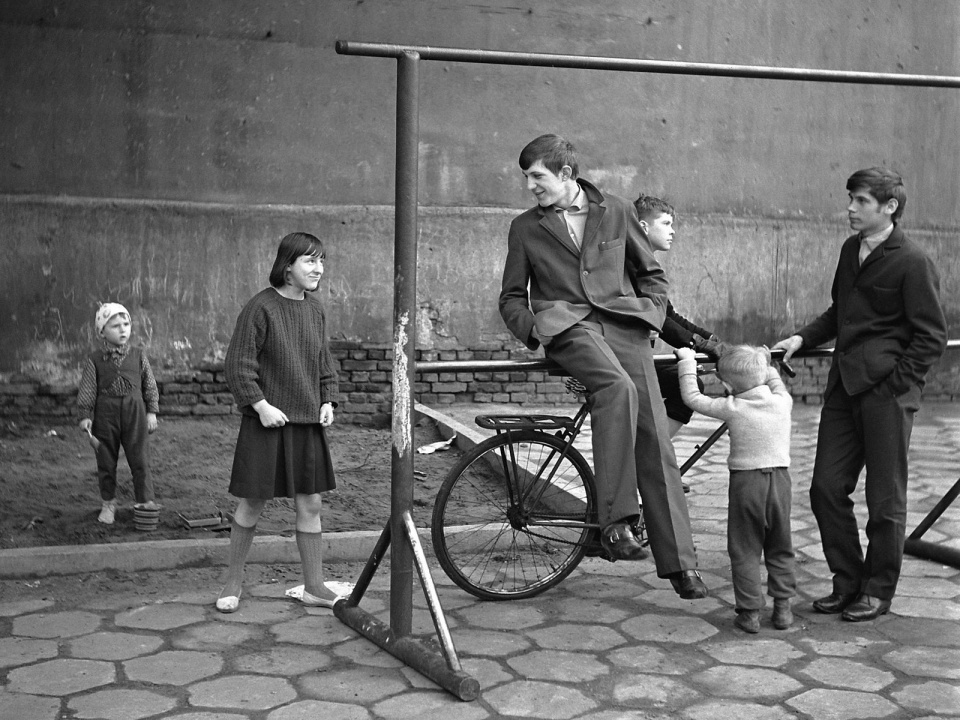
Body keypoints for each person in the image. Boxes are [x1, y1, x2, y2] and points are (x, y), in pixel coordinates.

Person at [499, 134, 707, 599]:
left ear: (567, 175)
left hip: (625, 327)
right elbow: (512, 296)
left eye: (538, 177)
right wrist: (535, 329)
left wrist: (652, 311)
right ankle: (617, 523)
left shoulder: (614, 210)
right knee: (616, 389)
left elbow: (651, 272)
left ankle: (681, 565)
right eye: (528, 177)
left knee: (657, 443)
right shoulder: (525, 228)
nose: (531, 186)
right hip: (570, 327)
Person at [772, 167, 947, 622]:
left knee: (885, 500)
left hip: (887, 395)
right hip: (843, 388)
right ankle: (848, 582)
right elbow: (840, 313)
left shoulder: (913, 260)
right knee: (825, 489)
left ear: (889, 207)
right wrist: (800, 339)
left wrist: (895, 384)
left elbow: (931, 337)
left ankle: (878, 590)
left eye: (861, 201)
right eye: (850, 198)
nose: (850, 208)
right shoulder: (851, 249)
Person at [217, 232, 343, 613]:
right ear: (287, 266)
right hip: (267, 422)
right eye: (309, 260)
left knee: (311, 503)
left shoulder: (316, 310)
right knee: (253, 501)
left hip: (307, 423)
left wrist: (328, 400)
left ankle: (314, 586)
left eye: (321, 260)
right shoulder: (261, 308)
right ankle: (232, 583)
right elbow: (238, 364)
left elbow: (324, 362)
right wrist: (260, 405)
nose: (318, 268)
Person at [675, 344, 796, 633]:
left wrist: (687, 361)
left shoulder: (733, 408)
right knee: (780, 546)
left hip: (747, 485)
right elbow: (775, 380)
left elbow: (692, 397)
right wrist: (766, 363)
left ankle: (750, 612)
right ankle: (783, 609)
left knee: (745, 549)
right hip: (781, 483)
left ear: (728, 385)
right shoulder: (783, 402)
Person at [634, 194, 721, 449]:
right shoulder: (634, 264)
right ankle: (651, 453)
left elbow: (669, 315)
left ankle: (651, 453)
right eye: (666, 224)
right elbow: (661, 322)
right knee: (687, 386)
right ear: (643, 227)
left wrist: (712, 339)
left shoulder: (646, 262)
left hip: (635, 354)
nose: (673, 232)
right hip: (624, 356)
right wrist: (700, 344)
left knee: (687, 383)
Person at [77, 303, 160, 525]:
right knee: (105, 459)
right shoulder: (94, 360)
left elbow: (150, 385)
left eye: (126, 324)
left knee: (140, 458)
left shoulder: (138, 355)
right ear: (102, 331)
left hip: (135, 413)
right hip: (106, 415)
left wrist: (151, 412)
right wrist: (85, 415)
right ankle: (108, 503)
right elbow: (88, 388)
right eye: (115, 326)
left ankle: (144, 502)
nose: (123, 330)